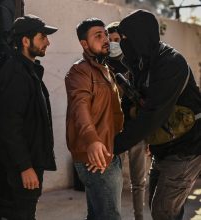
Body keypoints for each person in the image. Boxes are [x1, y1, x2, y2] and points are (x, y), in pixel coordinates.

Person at [113, 10, 201, 220]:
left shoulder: (171, 63)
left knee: (163, 211)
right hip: (164, 148)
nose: (122, 43)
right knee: (164, 209)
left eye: (125, 38)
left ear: (141, 37)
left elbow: (153, 114)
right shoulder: (141, 63)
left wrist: (114, 146)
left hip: (186, 149)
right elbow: (132, 104)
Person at [0, 14, 57, 220]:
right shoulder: (16, 74)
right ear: (25, 41)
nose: (48, 42)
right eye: (42, 36)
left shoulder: (28, 70)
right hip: (20, 169)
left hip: (28, 164)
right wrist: (25, 167)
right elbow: (9, 127)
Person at [65, 18, 124, 220]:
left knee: (98, 214)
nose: (105, 39)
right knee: (109, 216)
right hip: (96, 155)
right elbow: (79, 106)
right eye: (97, 36)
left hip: (108, 150)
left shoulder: (106, 69)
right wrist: (92, 140)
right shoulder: (80, 71)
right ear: (84, 43)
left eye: (105, 34)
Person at [106, 21, 147, 220]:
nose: (114, 43)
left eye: (117, 40)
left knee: (138, 181)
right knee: (114, 181)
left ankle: (139, 216)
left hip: (136, 130)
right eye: (110, 40)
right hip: (115, 132)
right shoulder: (103, 64)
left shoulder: (135, 63)